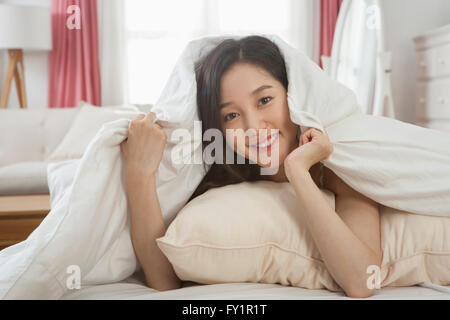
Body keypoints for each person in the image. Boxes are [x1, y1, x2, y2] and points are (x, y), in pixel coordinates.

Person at [120, 35, 382, 298]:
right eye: (231, 115)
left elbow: (363, 281)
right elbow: (164, 281)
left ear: (293, 96)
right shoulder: (222, 174)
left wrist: (298, 171)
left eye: (264, 100)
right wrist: (139, 174)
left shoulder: (343, 167)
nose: (253, 128)